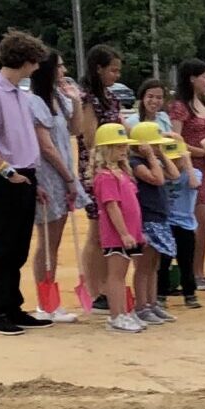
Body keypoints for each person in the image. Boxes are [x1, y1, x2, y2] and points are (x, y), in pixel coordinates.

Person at [0, 29, 55, 335]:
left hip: (26, 175)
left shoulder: (19, 93)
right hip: (6, 175)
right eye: (35, 62)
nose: (37, 67)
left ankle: (13, 306)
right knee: (1, 246)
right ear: (25, 61)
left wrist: (33, 180)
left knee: (18, 246)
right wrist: (7, 172)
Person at [27, 50, 85, 324]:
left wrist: (76, 101)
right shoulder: (34, 102)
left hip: (63, 173)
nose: (64, 71)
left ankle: (51, 301)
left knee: (56, 240)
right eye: (59, 67)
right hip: (49, 175)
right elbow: (46, 147)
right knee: (47, 241)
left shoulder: (59, 98)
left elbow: (76, 129)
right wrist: (68, 178)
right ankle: (45, 302)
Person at [75, 45, 124, 313]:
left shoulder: (110, 97)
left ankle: (107, 287)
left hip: (114, 167)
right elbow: (90, 138)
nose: (116, 75)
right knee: (96, 231)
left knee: (109, 231)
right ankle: (94, 291)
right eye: (113, 70)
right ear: (98, 69)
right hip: (95, 169)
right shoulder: (87, 98)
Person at [89, 122, 147, 331]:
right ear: (107, 149)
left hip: (129, 232)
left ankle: (123, 312)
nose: (124, 150)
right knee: (116, 275)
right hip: (117, 234)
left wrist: (135, 232)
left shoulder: (121, 173)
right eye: (119, 146)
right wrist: (124, 233)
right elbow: (112, 207)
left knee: (121, 275)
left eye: (124, 146)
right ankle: (116, 316)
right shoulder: (105, 177)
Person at [168, 60, 205, 289]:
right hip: (192, 166)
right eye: (204, 77)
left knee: (204, 221)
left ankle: (198, 271)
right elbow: (175, 141)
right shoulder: (180, 107)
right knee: (202, 220)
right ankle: (192, 272)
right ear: (192, 78)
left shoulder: (204, 103)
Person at [128, 121, 178, 325]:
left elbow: (174, 174)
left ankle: (152, 302)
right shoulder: (135, 163)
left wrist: (161, 155)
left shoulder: (153, 161)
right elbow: (157, 179)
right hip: (146, 218)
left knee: (153, 265)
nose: (159, 147)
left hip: (159, 217)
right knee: (144, 265)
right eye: (156, 144)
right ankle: (141, 306)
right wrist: (150, 156)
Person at [159, 136, 201, 307]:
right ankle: (160, 294)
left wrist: (187, 162)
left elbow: (194, 184)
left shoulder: (193, 173)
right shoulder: (161, 171)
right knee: (163, 262)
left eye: (177, 159)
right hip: (166, 223)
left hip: (185, 224)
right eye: (171, 160)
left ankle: (190, 294)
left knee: (186, 262)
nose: (175, 163)